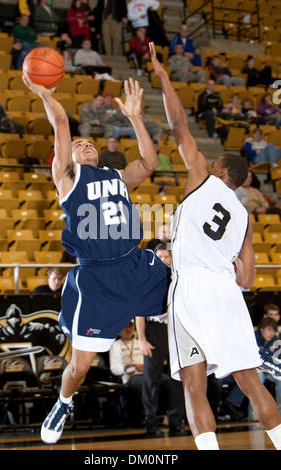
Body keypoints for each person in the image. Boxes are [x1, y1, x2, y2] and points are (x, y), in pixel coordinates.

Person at [22, 72, 170, 444]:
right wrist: (45, 94)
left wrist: (135, 117)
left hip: (134, 264)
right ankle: (63, 402)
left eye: (90, 143)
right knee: (81, 365)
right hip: (97, 280)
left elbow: (150, 163)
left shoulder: (117, 176)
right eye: (79, 144)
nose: (85, 144)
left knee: (190, 285)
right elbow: (60, 122)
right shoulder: (67, 181)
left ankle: (237, 354)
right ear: (66, 158)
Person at [149, 40, 281, 450]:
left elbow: (178, 125)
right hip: (227, 292)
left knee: (194, 384)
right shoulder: (245, 218)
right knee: (250, 379)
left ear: (221, 168)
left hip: (191, 289)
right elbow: (248, 276)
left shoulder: (202, 176)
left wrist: (164, 77)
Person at [136, 245, 185, 437]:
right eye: (160, 256)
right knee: (151, 381)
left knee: (177, 379)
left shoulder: (179, 279)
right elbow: (139, 312)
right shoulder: (146, 280)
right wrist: (141, 339)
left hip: (174, 330)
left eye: (167, 256)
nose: (163, 259)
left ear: (172, 259)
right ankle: (151, 423)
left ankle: (176, 422)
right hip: (153, 330)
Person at [109, 321, 145, 427]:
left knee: (167, 380)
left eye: (130, 326)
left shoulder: (141, 342)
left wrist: (145, 367)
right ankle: (142, 417)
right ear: (119, 331)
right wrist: (127, 367)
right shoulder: (115, 345)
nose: (128, 329)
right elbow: (114, 369)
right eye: (125, 327)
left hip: (146, 374)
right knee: (137, 384)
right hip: (130, 377)